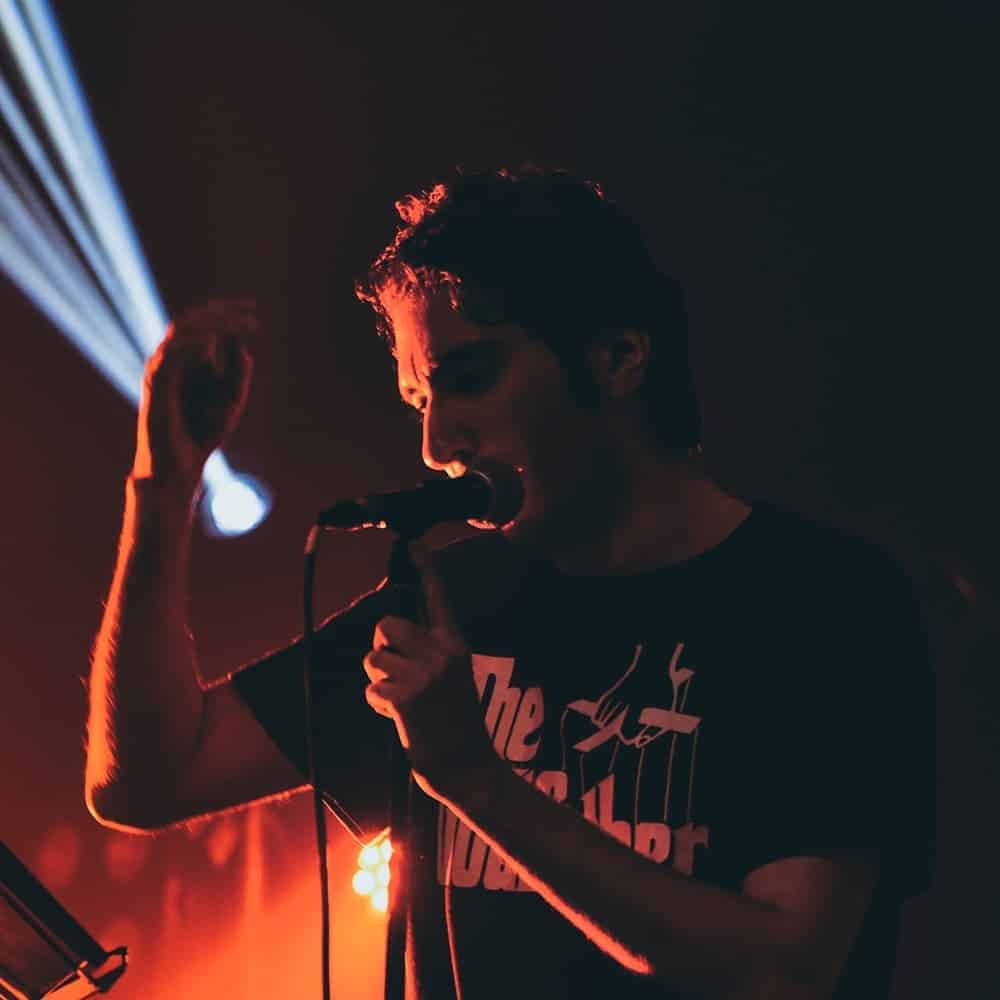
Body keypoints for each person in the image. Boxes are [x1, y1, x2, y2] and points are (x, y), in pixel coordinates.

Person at [85, 167, 935, 999]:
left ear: (617, 358)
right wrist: (162, 487)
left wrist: (475, 778)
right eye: (418, 399)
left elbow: (786, 971)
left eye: (468, 379)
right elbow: (149, 781)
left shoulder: (826, 602)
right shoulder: (455, 598)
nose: (437, 445)